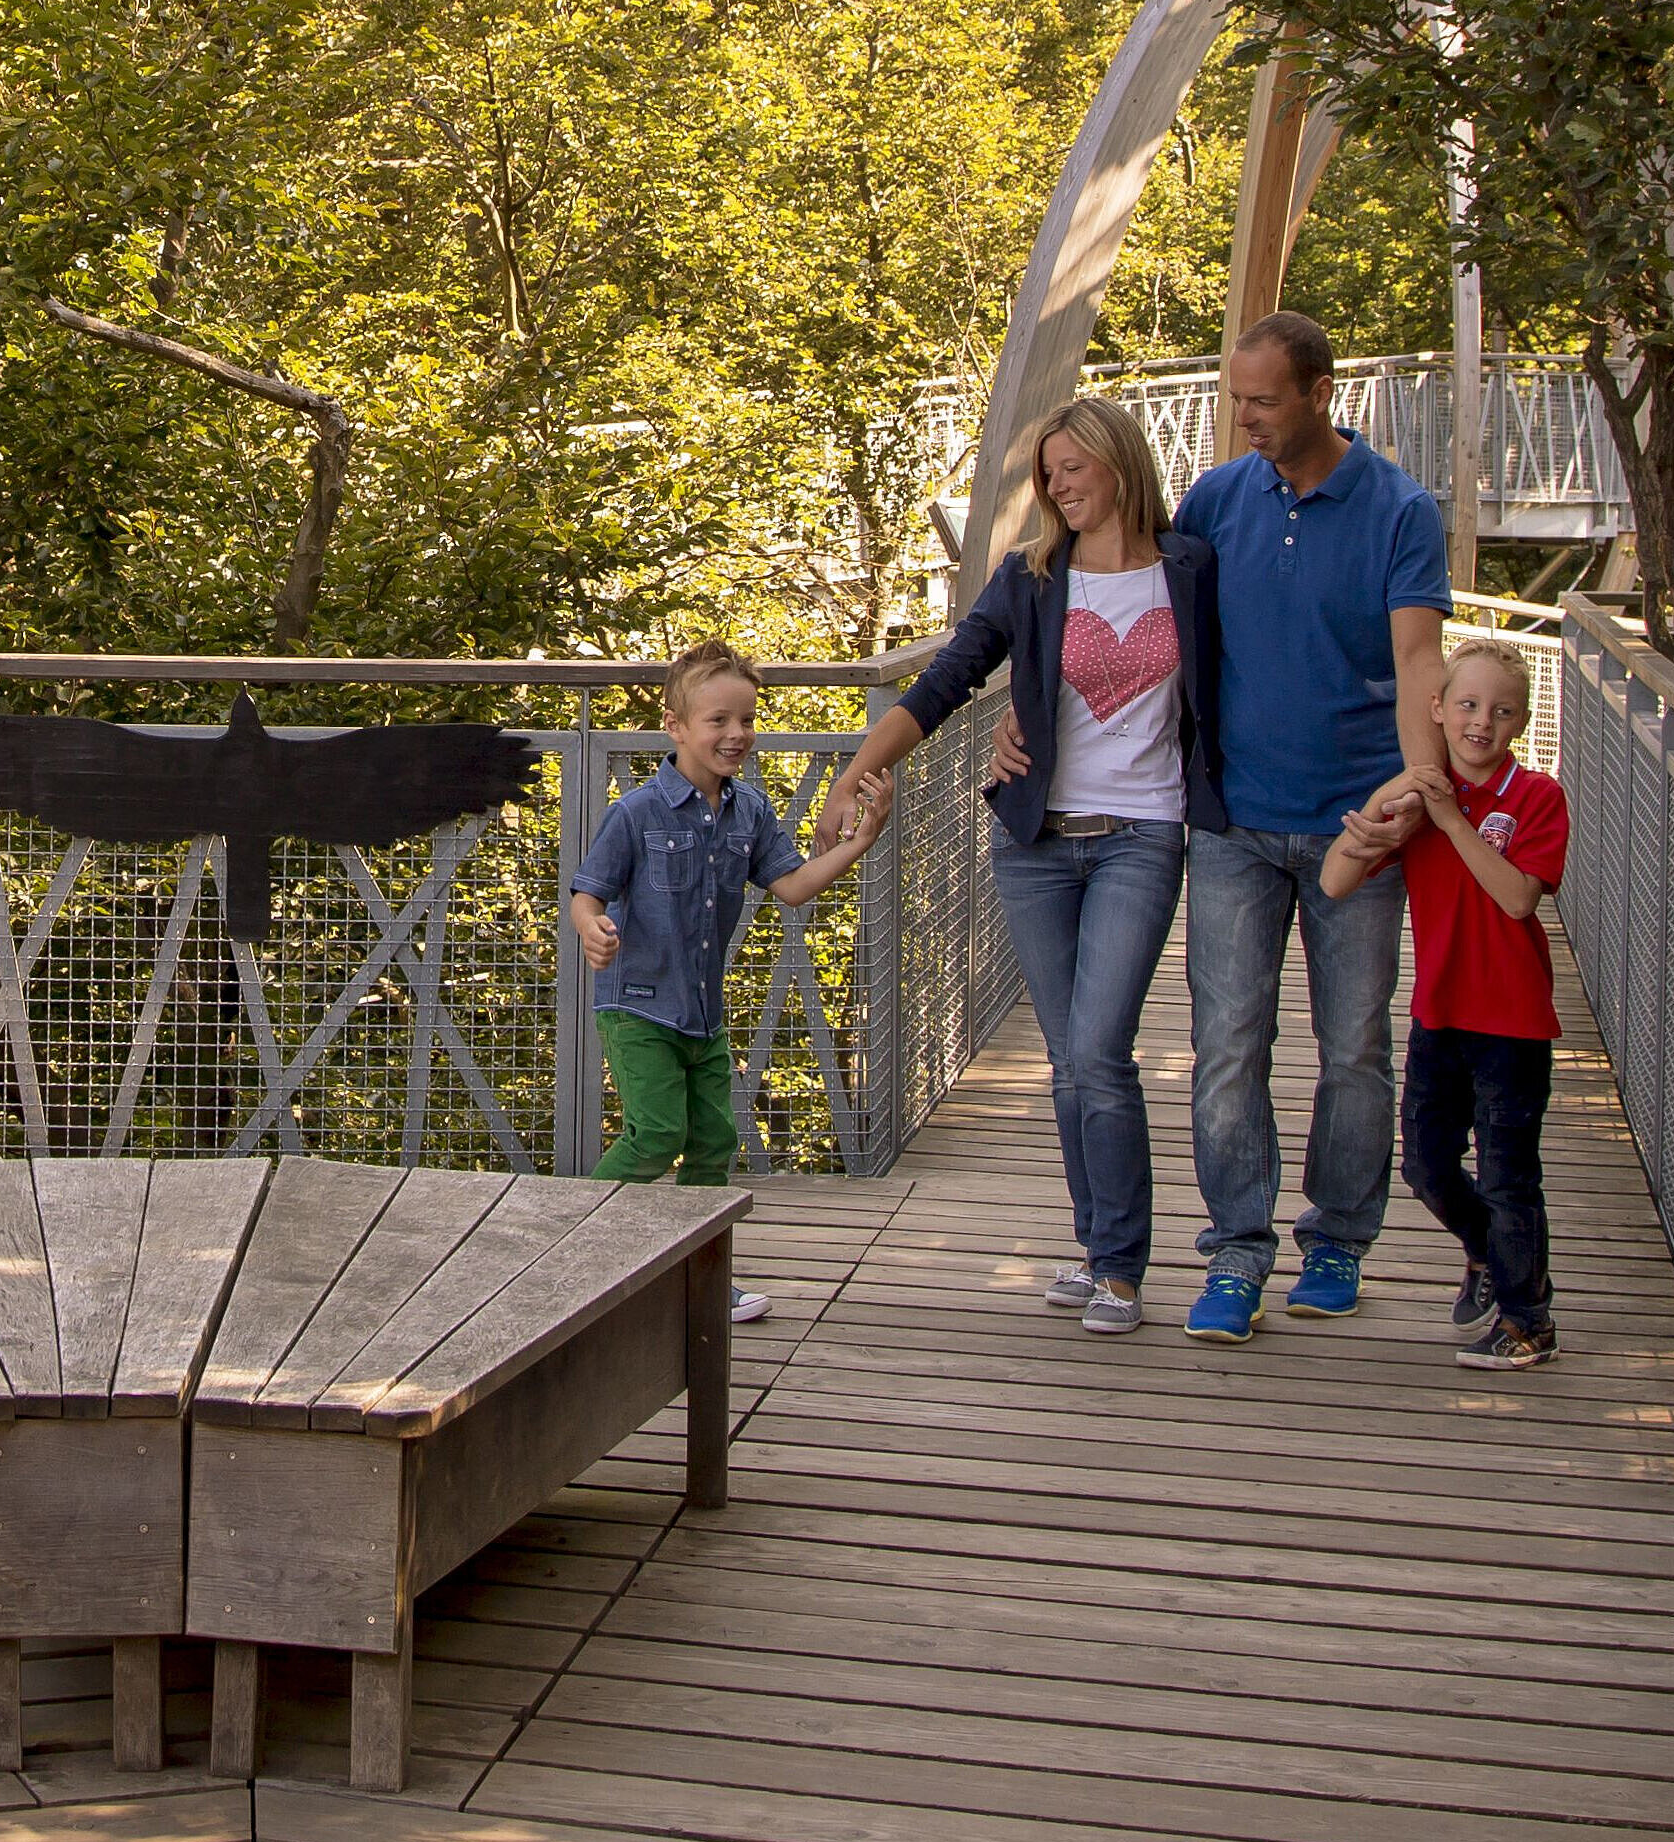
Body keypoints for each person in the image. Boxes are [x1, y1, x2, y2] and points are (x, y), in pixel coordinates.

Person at [812, 396, 1220, 1330]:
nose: (1059, 485)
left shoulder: (1191, 569)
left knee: (1099, 1050)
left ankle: (1121, 1267)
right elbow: (949, 678)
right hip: (1033, 846)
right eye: (1049, 473)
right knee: (1069, 1064)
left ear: (1120, 462)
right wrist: (861, 771)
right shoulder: (1031, 577)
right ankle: (1096, 1247)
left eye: (1074, 467)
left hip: (1142, 837)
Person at [1161, 310, 1452, 1345]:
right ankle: (1237, 1250)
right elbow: (1147, 628)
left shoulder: (1400, 510)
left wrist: (1418, 786)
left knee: (1355, 1046)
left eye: (1265, 399)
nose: (1245, 417)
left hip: (1355, 826)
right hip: (1235, 822)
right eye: (1237, 397)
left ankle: (1336, 1238)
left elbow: (1421, 660)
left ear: (1320, 392)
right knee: (1225, 1047)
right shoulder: (1214, 499)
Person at [571, 639, 880, 1325]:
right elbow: (587, 894)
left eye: (746, 719)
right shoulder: (637, 813)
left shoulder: (752, 813)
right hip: (638, 1008)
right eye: (718, 721)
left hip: (703, 1017)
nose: (736, 734)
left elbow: (793, 887)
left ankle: (701, 1278)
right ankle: (571, 1245)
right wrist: (592, 929)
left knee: (714, 1139)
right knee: (656, 1134)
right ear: (676, 726)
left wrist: (859, 841)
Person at [1326, 637, 1570, 1370]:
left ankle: (1530, 1321)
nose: (1479, 724)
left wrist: (1452, 821)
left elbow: (1519, 898)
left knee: (1507, 1175)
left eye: (1500, 712)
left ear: (1520, 723)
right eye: (1466, 705)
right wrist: (1388, 801)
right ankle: (1487, 1254)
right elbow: (1338, 881)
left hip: (1513, 1024)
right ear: (1437, 709)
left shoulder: (1536, 798)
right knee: (1428, 1168)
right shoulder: (1422, 798)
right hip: (1440, 1014)